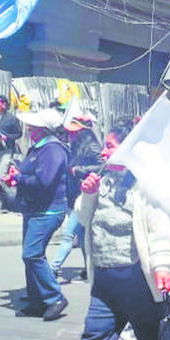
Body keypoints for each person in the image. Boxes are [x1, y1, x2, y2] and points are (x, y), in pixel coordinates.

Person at [72, 124, 170, 340]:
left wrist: (162, 266)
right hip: (104, 282)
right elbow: (83, 218)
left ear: (128, 148)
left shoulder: (146, 184)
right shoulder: (101, 179)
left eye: (110, 146)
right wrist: (89, 194)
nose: (104, 153)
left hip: (136, 281)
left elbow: (159, 228)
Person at [5, 108, 70, 320]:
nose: (29, 129)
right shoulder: (39, 148)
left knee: (31, 254)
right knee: (31, 255)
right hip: (33, 209)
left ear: (44, 129)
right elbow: (29, 173)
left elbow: (44, 182)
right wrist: (17, 176)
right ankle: (37, 300)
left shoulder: (53, 150)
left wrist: (19, 179)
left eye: (34, 126)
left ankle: (54, 297)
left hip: (47, 210)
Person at [50, 115, 103, 281]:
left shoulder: (92, 146)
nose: (70, 134)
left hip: (84, 194)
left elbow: (102, 166)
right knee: (81, 238)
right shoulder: (74, 146)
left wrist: (79, 170)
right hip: (74, 195)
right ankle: (90, 268)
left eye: (74, 131)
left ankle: (52, 268)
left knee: (68, 235)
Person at [0, 94, 22, 208]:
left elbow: (18, 134)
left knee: (1, 175)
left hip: (6, 151)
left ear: (3, 104)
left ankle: (8, 202)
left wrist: (6, 137)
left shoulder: (11, 118)